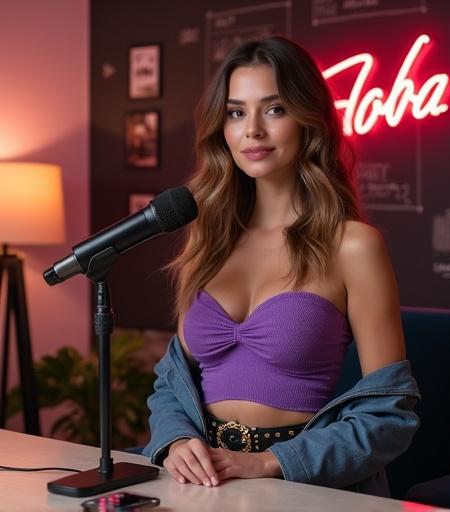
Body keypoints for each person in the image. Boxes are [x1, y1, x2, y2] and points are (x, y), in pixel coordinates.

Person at [142, 36, 420, 496]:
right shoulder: (207, 241)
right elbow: (172, 381)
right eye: (236, 112)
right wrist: (176, 440)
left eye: (273, 109)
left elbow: (390, 415)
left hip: (300, 483)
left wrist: (270, 462)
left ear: (307, 120)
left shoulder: (352, 245)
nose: (252, 130)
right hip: (202, 482)